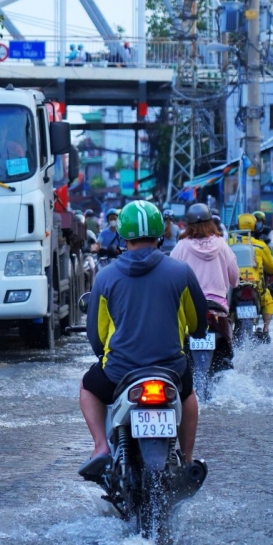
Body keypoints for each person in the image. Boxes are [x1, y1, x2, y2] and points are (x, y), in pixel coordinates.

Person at [78, 201, 207, 479]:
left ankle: (101, 446)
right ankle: (187, 458)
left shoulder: (105, 276)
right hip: (171, 370)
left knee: (88, 387)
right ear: (160, 232)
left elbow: (97, 337)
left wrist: (105, 356)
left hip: (119, 371)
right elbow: (198, 326)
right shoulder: (181, 272)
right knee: (188, 393)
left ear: (123, 236)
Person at [171, 203, 239, 310]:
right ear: (211, 223)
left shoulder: (181, 246)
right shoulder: (222, 244)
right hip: (219, 306)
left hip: (191, 306)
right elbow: (234, 278)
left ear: (188, 225)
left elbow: (172, 279)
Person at [230, 213, 273, 340]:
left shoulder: (228, 244)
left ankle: (227, 330)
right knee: (268, 301)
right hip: (256, 287)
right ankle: (265, 329)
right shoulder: (261, 245)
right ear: (255, 227)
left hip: (232, 287)